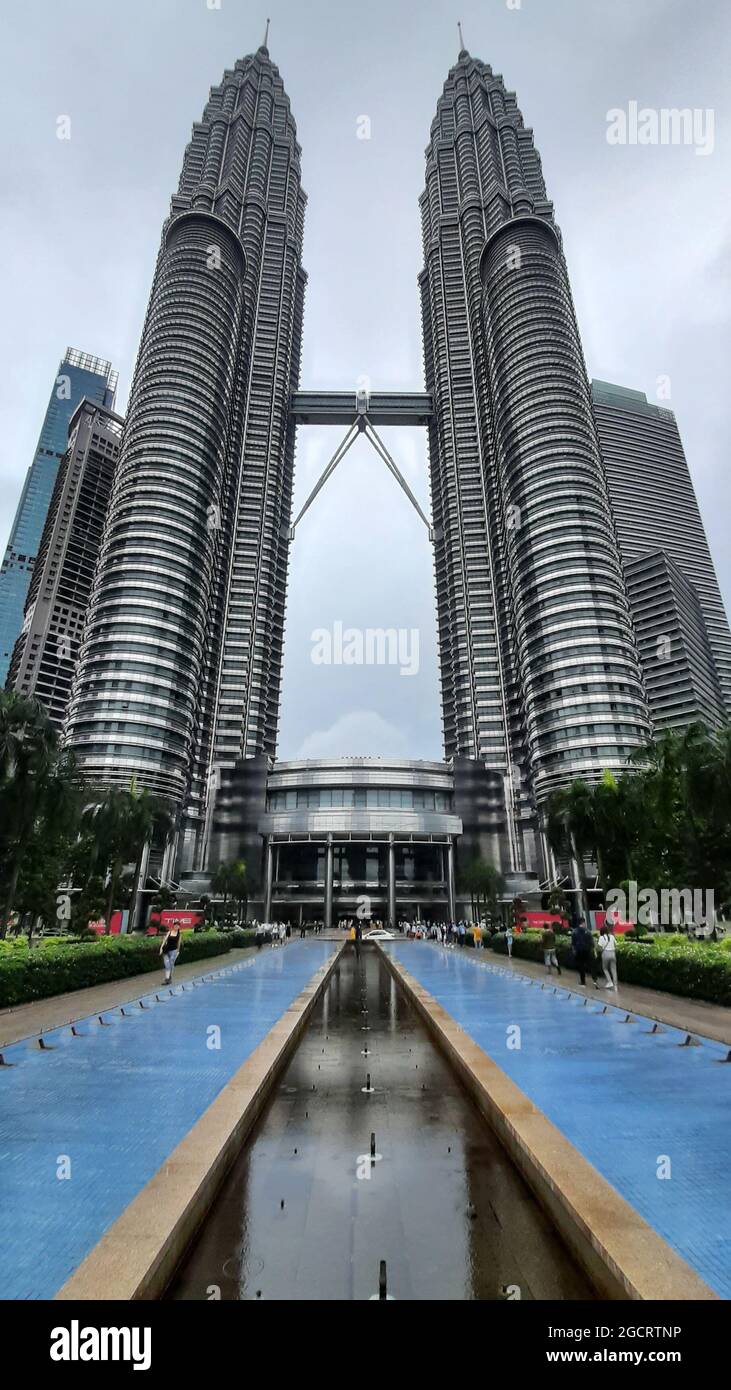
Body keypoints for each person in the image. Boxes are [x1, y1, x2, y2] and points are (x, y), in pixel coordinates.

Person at [571, 917, 598, 988]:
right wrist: (594, 951)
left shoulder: (574, 932)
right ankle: (595, 981)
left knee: (581, 966)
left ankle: (583, 982)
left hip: (579, 951)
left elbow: (573, 943)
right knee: (591, 966)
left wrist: (574, 951)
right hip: (588, 951)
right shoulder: (588, 931)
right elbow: (592, 943)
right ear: (583, 923)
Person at [160, 919, 182, 984]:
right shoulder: (169, 932)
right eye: (175, 925)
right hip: (166, 950)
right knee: (167, 965)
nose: (176, 926)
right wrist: (161, 948)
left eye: (177, 925)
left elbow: (179, 943)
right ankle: (167, 979)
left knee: (171, 964)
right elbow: (164, 940)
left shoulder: (179, 934)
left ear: (179, 927)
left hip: (174, 951)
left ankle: (169, 978)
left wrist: (178, 951)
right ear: (173, 925)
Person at [597, 922, 618, 989]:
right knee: (614, 969)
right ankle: (615, 984)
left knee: (605, 968)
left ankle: (610, 982)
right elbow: (616, 945)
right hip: (613, 953)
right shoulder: (612, 936)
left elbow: (599, 948)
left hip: (605, 953)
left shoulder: (601, 937)